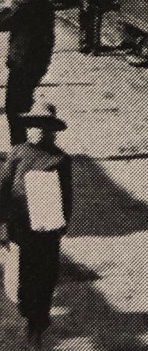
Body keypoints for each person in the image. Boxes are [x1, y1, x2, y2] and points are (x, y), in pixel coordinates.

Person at [0, 101, 72, 350]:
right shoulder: (18, 153)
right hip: (21, 231)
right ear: (29, 128)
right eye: (36, 125)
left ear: (53, 131)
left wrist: (61, 225)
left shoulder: (60, 159)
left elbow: (66, 195)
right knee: (21, 281)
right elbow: (3, 189)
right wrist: (2, 226)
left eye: (46, 126)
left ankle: (36, 325)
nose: (41, 130)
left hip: (47, 232)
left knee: (46, 279)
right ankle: (29, 311)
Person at [0, 0, 57, 146]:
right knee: (21, 104)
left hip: (23, 62)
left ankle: (21, 146)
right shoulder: (43, 3)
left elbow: (3, 23)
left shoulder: (26, 5)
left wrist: (9, 6)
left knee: (14, 107)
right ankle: (32, 139)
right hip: (37, 61)